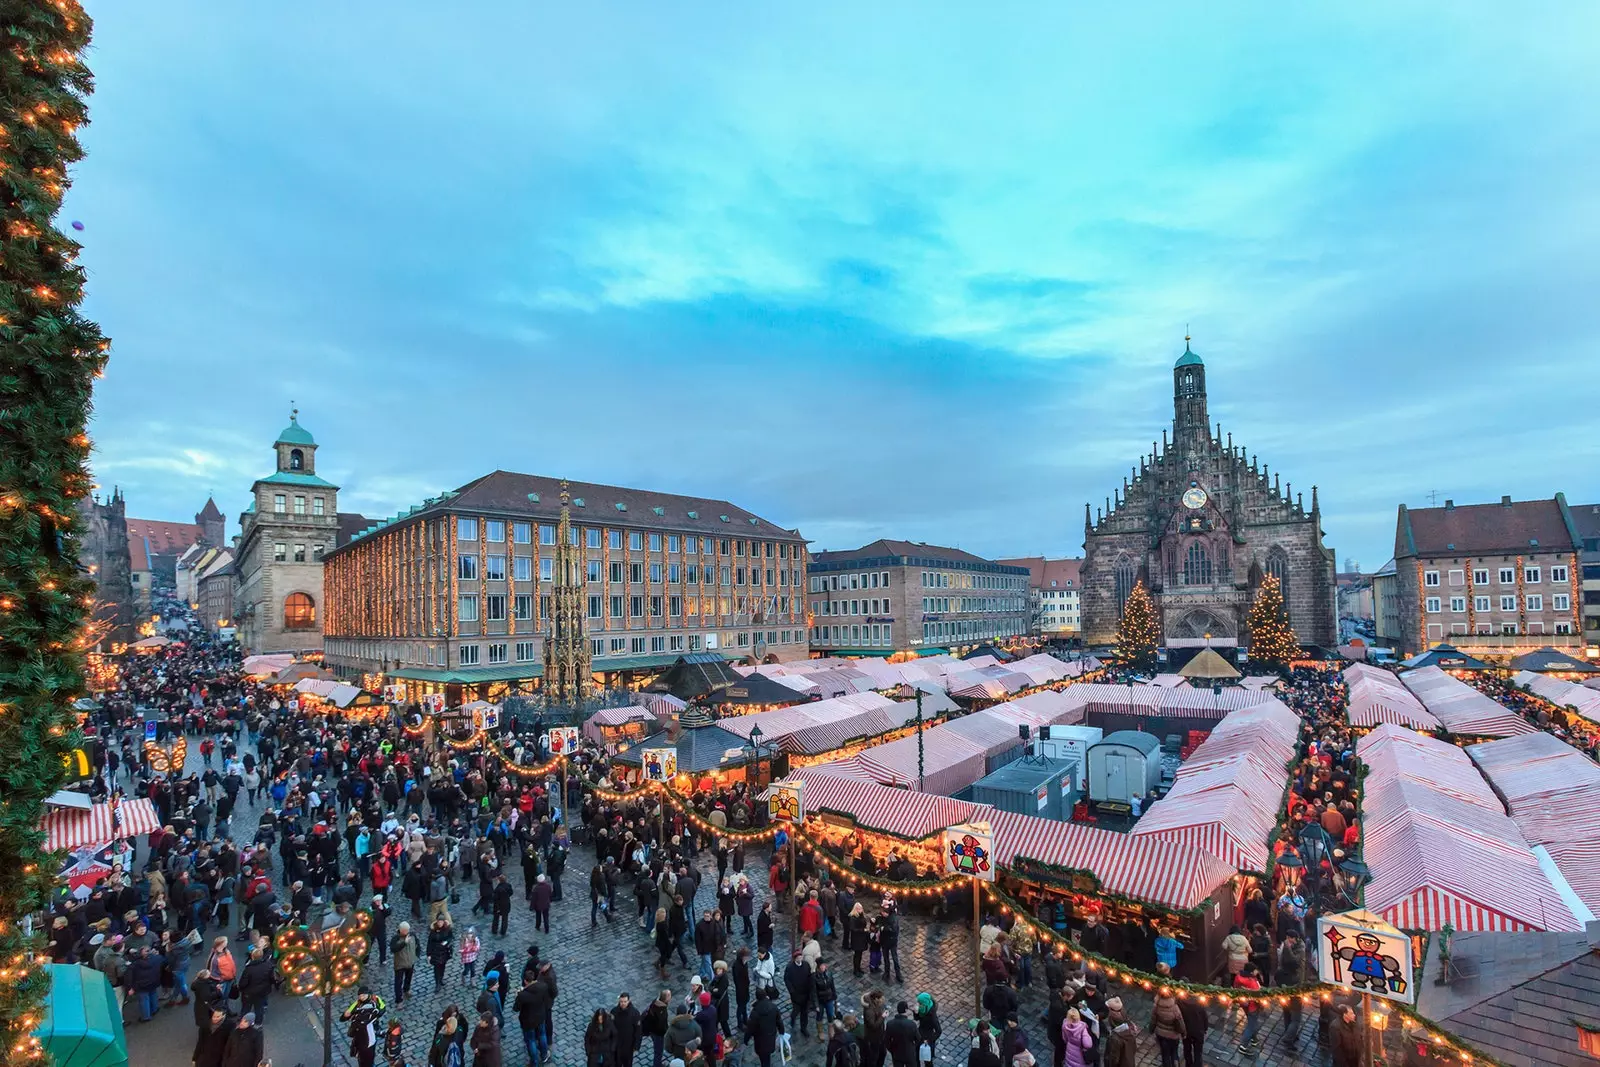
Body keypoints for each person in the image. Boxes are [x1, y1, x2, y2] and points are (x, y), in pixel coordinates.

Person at [342, 986, 389, 1067]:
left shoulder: (375, 999)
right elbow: (346, 1015)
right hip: (361, 1031)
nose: (362, 997)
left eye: (363, 995)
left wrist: (374, 1015)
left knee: (371, 1048)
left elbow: (383, 1008)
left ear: (368, 994)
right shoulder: (357, 1003)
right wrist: (345, 1015)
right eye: (360, 996)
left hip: (373, 1027)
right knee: (364, 1052)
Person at [747, 988, 785, 1067]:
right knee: (767, 1056)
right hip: (770, 1036)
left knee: (763, 1058)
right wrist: (782, 1031)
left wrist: (746, 1039)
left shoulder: (755, 1012)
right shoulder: (773, 1007)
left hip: (760, 1040)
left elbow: (750, 1028)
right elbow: (779, 1021)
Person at [1147, 990, 1184, 1067]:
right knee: (1174, 1052)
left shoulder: (1156, 1007)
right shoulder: (1175, 1008)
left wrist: (1151, 1030)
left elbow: (1153, 1020)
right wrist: (1183, 1033)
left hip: (1161, 1035)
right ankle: (1176, 1064)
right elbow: (1180, 1022)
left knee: (1165, 1054)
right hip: (1173, 1036)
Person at [784, 951, 816, 1036]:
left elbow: (809, 977)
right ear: (795, 959)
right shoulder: (790, 967)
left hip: (806, 993)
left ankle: (803, 1028)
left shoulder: (806, 965)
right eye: (798, 958)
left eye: (801, 957)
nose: (800, 959)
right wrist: (792, 992)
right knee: (796, 1010)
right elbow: (787, 980)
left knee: (804, 1013)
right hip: (796, 995)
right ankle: (793, 1018)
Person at [391, 921, 421, 1005]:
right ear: (400, 930)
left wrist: (416, 956)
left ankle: (406, 989)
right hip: (400, 964)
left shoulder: (412, 935)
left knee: (408, 978)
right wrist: (404, 943)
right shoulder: (396, 938)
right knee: (398, 982)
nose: (406, 932)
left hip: (410, 962)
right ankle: (399, 1000)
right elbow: (393, 949)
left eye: (407, 930)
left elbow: (417, 945)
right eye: (404, 930)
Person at [885, 1001, 921, 1067]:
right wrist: (912, 1047)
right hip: (909, 1053)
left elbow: (887, 1041)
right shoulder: (911, 1024)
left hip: (897, 1053)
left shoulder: (890, 1024)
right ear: (906, 1010)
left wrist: (892, 1050)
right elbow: (918, 1039)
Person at [643, 989, 672, 1067]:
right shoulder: (662, 1011)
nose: (671, 997)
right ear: (666, 998)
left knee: (657, 1050)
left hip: (652, 1030)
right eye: (669, 995)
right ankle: (657, 1065)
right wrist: (666, 1029)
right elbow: (661, 1027)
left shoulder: (655, 1002)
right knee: (658, 1051)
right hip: (658, 1034)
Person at [614, 992, 644, 1067]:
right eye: (621, 1001)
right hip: (617, 1045)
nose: (623, 1003)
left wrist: (636, 1046)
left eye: (625, 1001)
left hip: (628, 1046)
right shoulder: (614, 1012)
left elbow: (638, 1031)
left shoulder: (635, 1013)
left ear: (629, 1001)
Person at [915, 993, 942, 1062]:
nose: (918, 1005)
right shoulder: (923, 1008)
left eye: (920, 1003)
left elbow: (939, 1031)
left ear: (924, 1003)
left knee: (927, 1060)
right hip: (919, 1035)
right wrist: (916, 1012)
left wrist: (929, 1040)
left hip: (927, 1038)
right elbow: (917, 1018)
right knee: (916, 1057)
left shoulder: (932, 1016)